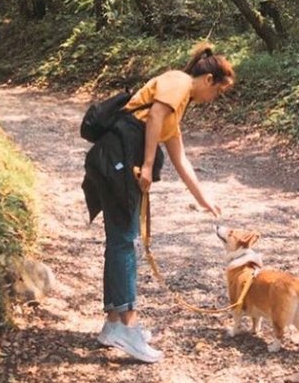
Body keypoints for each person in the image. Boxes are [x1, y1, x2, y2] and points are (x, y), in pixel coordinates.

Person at [91, 41, 235, 364]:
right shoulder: (178, 82)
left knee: (119, 241)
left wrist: (204, 200)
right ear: (208, 80)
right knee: (125, 242)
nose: (215, 99)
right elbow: (153, 116)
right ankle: (127, 325)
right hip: (117, 158)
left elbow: (181, 160)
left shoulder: (177, 106)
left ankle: (112, 325)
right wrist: (146, 164)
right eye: (219, 92)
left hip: (116, 160)